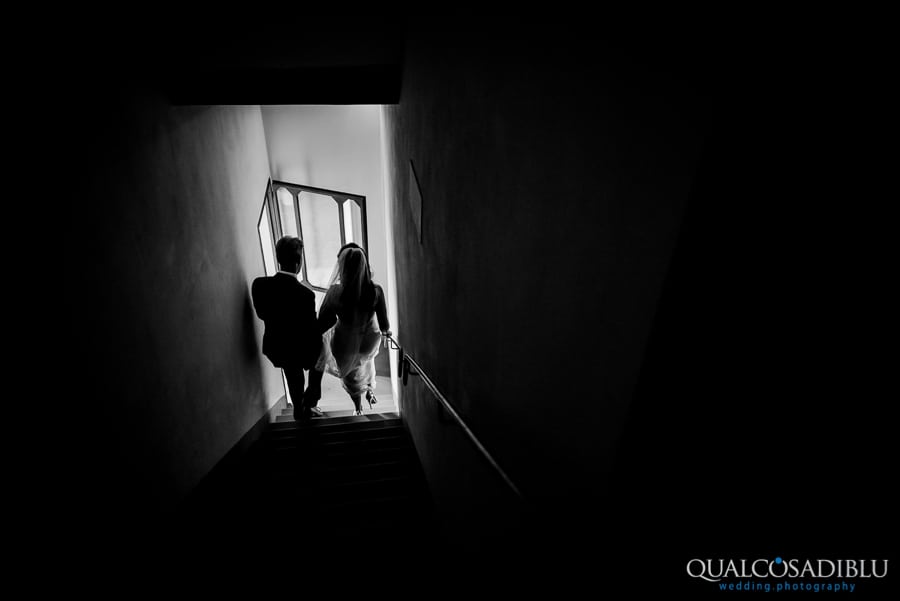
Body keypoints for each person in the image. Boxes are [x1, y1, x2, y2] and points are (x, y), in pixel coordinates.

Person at [251, 236, 324, 420]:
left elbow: (261, 314)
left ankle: (299, 407)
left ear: (278, 259)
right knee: (321, 351)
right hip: (298, 348)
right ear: (299, 262)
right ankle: (308, 400)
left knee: (293, 372)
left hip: (275, 346)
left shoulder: (259, 285)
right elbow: (311, 330)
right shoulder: (306, 295)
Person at [316, 244, 391, 414]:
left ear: (342, 268)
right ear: (365, 266)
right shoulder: (375, 291)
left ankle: (358, 408)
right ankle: (370, 389)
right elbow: (385, 324)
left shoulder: (335, 293)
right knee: (367, 363)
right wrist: (385, 332)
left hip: (344, 341)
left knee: (350, 375)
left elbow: (323, 322)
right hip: (369, 340)